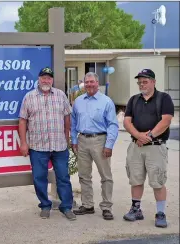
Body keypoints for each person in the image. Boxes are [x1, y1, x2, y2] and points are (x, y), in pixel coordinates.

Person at [18, 67, 76, 221]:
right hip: (37, 146)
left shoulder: (60, 95)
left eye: (49, 78)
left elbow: (67, 118)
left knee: (63, 177)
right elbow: (23, 120)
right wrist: (23, 143)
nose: (46, 80)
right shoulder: (29, 97)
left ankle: (66, 207)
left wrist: (67, 137)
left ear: (52, 80)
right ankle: (45, 205)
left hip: (59, 145)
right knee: (39, 177)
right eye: (43, 77)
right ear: (38, 79)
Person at [123, 68, 174, 228]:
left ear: (153, 82)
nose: (142, 84)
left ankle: (160, 213)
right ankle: (136, 209)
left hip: (156, 147)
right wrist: (138, 136)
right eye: (139, 82)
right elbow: (126, 121)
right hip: (136, 146)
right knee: (135, 179)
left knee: (157, 181)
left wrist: (148, 137)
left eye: (145, 81)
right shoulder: (134, 100)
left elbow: (166, 121)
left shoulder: (164, 98)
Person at [71, 72, 119, 220]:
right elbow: (73, 123)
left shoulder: (106, 101)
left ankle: (106, 207)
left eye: (92, 82)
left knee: (106, 176)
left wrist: (109, 145)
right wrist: (74, 140)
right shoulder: (78, 101)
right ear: (83, 84)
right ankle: (87, 205)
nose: (89, 84)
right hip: (82, 140)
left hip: (100, 141)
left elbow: (113, 125)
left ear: (97, 83)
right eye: (87, 82)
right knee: (84, 175)